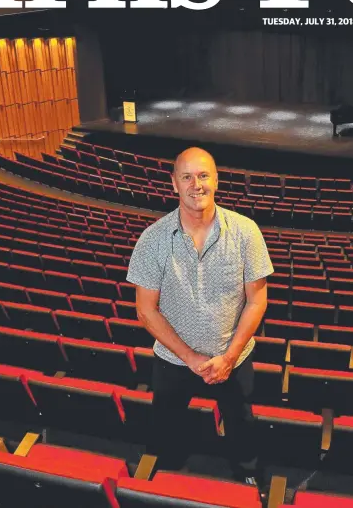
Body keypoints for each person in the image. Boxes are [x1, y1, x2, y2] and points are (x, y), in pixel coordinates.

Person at [126, 147, 274, 486]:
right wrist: (190, 357)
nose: (197, 184)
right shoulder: (153, 239)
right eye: (187, 176)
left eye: (204, 175)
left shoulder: (245, 231)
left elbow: (257, 301)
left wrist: (230, 356)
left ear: (217, 181)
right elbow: (145, 310)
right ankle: (167, 474)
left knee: (242, 424)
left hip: (232, 358)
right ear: (174, 184)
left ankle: (247, 474)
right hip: (173, 361)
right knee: (167, 424)